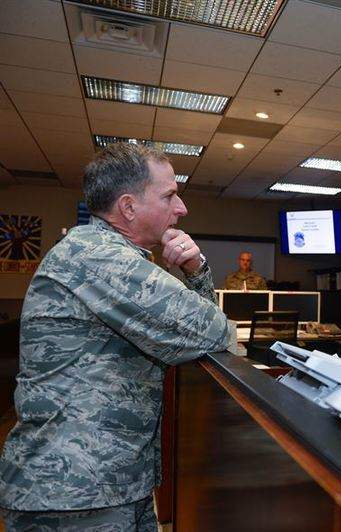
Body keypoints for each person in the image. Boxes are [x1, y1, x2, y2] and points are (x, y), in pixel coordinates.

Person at [0, 143, 236, 530]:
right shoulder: (101, 258)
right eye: (170, 196)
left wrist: (196, 270)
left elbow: (203, 335)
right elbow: (215, 333)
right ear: (128, 207)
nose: (182, 208)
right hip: (75, 493)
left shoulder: (105, 255)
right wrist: (198, 273)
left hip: (109, 484)